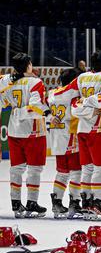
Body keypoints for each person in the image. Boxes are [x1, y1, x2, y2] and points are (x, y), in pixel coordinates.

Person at [52, 50, 101, 220]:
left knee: (87, 168)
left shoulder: (82, 78)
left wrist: (51, 98)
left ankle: (86, 204)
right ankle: (96, 204)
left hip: (82, 129)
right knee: (100, 168)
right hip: (99, 129)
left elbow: (64, 93)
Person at [0, 53, 49, 218]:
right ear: (29, 64)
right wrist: (47, 113)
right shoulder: (36, 82)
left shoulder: (8, 82)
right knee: (35, 169)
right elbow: (35, 107)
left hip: (13, 129)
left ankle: (15, 203)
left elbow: (2, 101)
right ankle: (31, 202)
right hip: (33, 131)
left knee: (16, 169)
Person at [46, 67, 81, 218]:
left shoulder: (51, 93)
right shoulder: (72, 93)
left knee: (62, 172)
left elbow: (45, 108)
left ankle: (57, 202)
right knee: (76, 171)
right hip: (69, 134)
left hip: (56, 136)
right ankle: (75, 202)